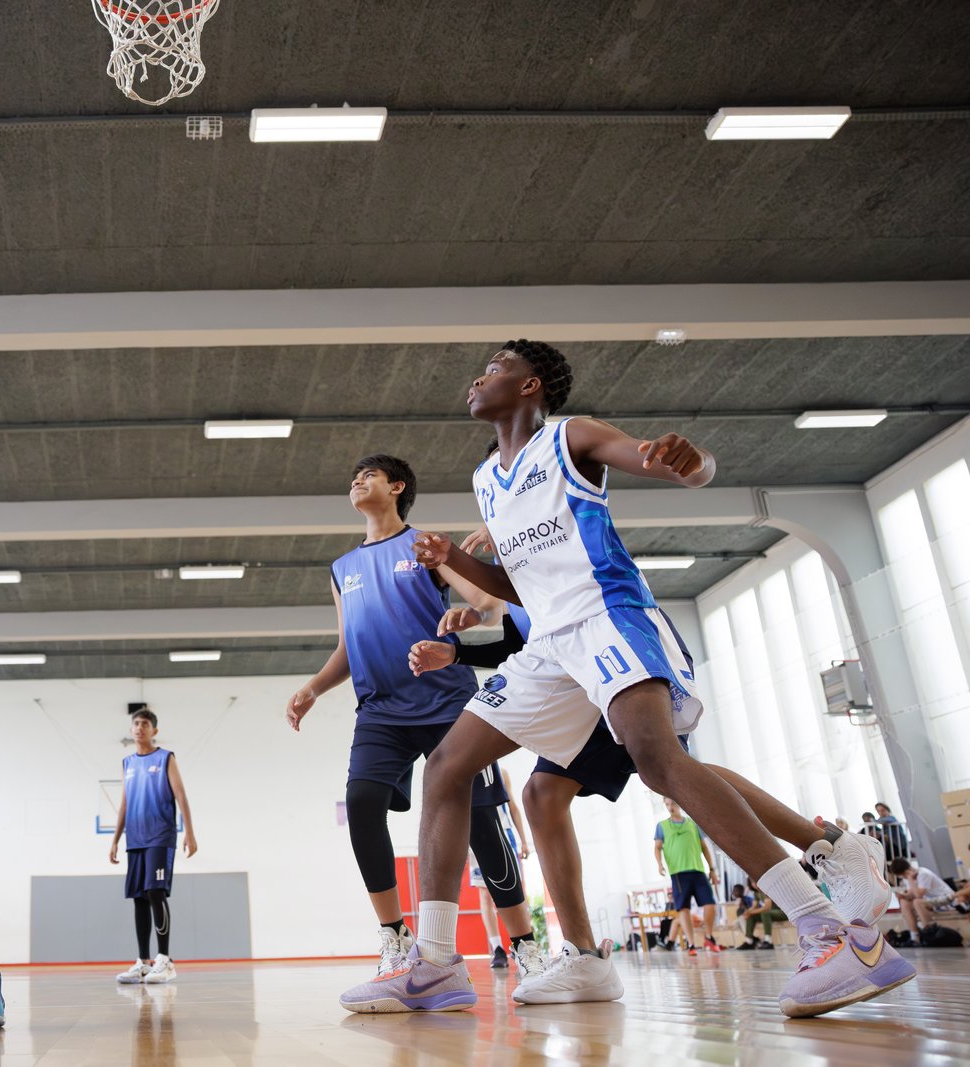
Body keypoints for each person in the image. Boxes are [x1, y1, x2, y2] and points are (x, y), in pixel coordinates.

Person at [340, 339, 915, 1019]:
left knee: (658, 762)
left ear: (529, 386)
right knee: (449, 765)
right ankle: (436, 964)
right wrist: (463, 569)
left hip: (607, 615)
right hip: (550, 643)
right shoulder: (485, 479)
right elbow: (522, 583)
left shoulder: (570, 436)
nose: (477, 376)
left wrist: (689, 462)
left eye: (495, 367)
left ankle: (828, 929)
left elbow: (662, 461)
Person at [409, 530, 889, 1004]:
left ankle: (827, 859)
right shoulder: (509, 561)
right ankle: (584, 957)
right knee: (545, 793)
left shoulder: (551, 529)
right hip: (568, 673)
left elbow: (550, 585)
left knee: (665, 768)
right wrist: (460, 647)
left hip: (615, 645)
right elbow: (521, 641)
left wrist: (466, 579)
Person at [288, 455, 542, 988]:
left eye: (369, 475)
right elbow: (347, 647)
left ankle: (523, 945)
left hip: (448, 704)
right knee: (361, 803)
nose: (357, 480)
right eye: (353, 475)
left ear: (397, 487)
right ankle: (395, 936)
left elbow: (487, 603)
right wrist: (312, 687)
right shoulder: (341, 569)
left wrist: (466, 619)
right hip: (379, 710)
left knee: (480, 820)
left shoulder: (427, 545)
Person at [110, 708, 198, 985]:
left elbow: (181, 795)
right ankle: (143, 962)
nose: (139, 728)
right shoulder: (127, 762)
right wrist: (115, 839)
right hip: (135, 838)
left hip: (160, 836)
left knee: (155, 891)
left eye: (145, 724)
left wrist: (190, 833)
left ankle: (165, 960)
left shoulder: (165, 758)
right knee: (139, 897)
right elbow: (124, 803)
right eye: (135, 723)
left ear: (154, 730)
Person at [476, 769, 532, 970]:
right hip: (476, 831)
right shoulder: (463, 761)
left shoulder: (502, 772)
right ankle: (497, 947)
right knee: (485, 895)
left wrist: (524, 840)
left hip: (503, 831)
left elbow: (513, 806)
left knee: (515, 891)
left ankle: (523, 944)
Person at [655, 798, 722, 955]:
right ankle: (692, 945)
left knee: (710, 905)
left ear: (679, 803)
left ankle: (709, 936)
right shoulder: (662, 826)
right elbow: (657, 847)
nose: (671, 807)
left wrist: (712, 869)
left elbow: (704, 847)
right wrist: (659, 864)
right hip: (678, 873)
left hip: (698, 870)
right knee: (683, 909)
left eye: (673, 803)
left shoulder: (692, 823)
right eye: (667, 804)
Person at [889, 858, 960, 944]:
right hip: (932, 902)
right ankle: (915, 937)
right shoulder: (909, 877)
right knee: (905, 903)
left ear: (905, 871)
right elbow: (912, 895)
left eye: (903, 875)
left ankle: (928, 934)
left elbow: (918, 895)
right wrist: (903, 896)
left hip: (946, 900)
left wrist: (911, 880)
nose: (903, 877)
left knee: (917, 902)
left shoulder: (923, 874)